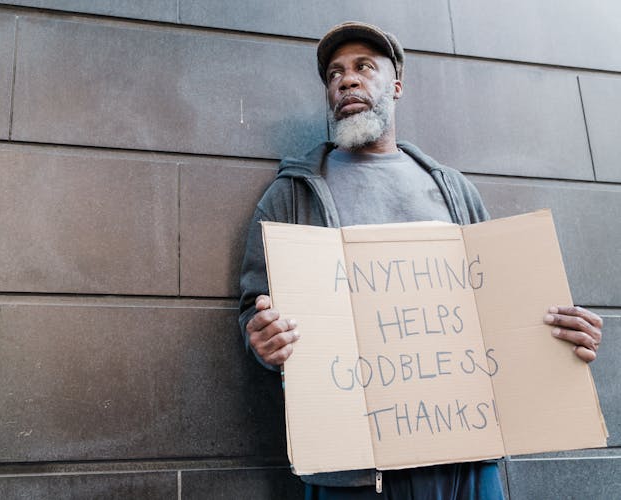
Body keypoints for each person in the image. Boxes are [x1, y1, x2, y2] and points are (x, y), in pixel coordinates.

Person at [238, 21, 603, 499]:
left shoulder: (454, 190)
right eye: (334, 73)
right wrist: (261, 341)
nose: (345, 80)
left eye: (363, 67)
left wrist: (559, 335)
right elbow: (253, 311)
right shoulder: (291, 196)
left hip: (464, 461)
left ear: (396, 85)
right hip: (351, 473)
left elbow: (500, 311)